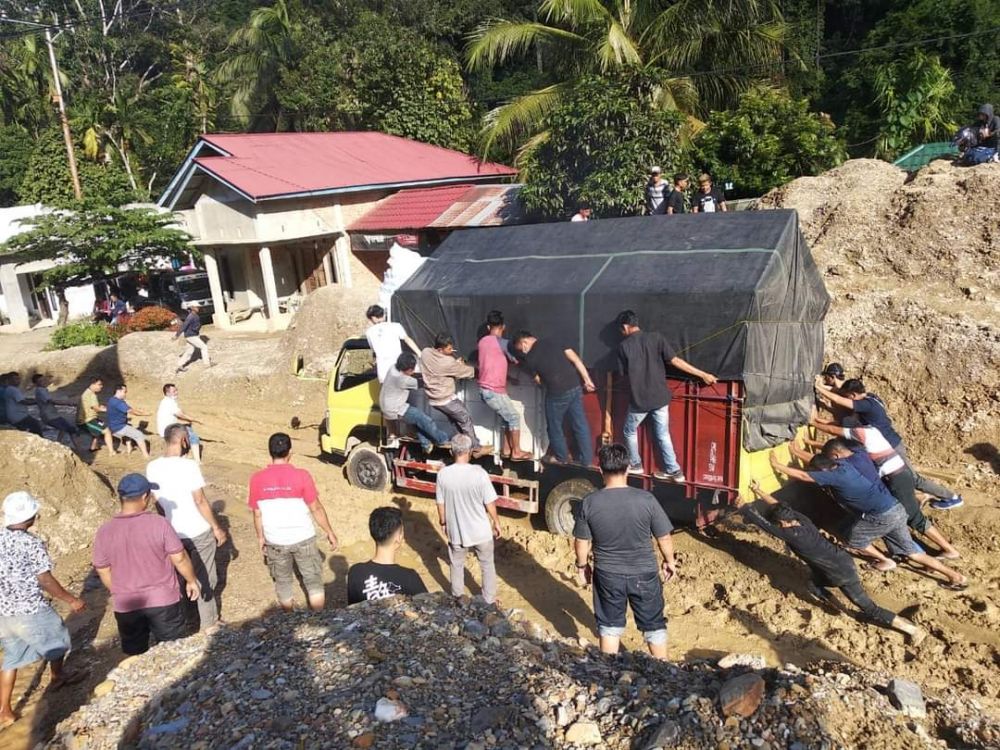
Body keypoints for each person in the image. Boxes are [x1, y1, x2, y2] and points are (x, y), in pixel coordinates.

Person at [743, 481, 923, 641]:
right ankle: (840, 610)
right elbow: (781, 507)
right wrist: (759, 491)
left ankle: (911, 629)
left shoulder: (792, 535)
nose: (779, 526)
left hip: (838, 574)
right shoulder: (802, 520)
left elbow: (764, 525)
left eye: (779, 524)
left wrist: (744, 508)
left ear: (783, 523)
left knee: (869, 608)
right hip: (843, 561)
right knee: (814, 584)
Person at [769, 452, 967, 589]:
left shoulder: (835, 477)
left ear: (824, 472)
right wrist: (797, 451)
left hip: (880, 516)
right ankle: (954, 576)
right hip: (896, 510)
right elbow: (816, 465)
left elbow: (804, 475)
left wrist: (778, 466)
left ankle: (885, 560)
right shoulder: (843, 465)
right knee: (912, 552)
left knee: (852, 540)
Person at [573, 443, 675, 658]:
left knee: (609, 625)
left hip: (608, 574)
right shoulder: (646, 499)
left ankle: (609, 672)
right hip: (645, 574)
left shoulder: (589, 502)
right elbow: (663, 536)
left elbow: (582, 541)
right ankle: (664, 669)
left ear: (600, 470)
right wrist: (669, 561)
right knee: (653, 624)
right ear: (628, 468)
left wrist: (582, 566)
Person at [0, 492, 86, 728]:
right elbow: (45, 580)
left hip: (4, 613)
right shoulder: (31, 543)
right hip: (30, 609)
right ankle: (58, 677)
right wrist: (71, 600)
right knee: (57, 638)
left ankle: (5, 710)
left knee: (12, 659)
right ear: (29, 518)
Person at [93, 474, 202, 655]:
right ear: (145, 497)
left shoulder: (105, 531)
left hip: (126, 604)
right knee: (172, 651)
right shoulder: (159, 524)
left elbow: (103, 569)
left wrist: (120, 590)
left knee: (135, 654)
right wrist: (191, 580)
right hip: (163, 600)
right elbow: (179, 557)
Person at [814, 378, 963, 510]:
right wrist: (825, 389)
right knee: (899, 478)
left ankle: (951, 497)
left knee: (914, 479)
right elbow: (841, 399)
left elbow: (841, 401)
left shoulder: (866, 405)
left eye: (847, 397)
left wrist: (819, 387)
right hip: (889, 444)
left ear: (853, 395)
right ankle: (919, 497)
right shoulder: (871, 398)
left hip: (891, 446)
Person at [813, 431, 960, 559]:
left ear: (836, 456)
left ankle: (945, 551)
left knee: (914, 519)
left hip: (893, 486)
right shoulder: (858, 453)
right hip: (894, 482)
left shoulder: (848, 464)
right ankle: (913, 552)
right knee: (898, 524)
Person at [616, 310, 717, 481]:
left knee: (629, 431)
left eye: (620, 329)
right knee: (663, 434)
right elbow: (676, 361)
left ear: (625, 326)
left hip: (640, 401)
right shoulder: (656, 338)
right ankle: (674, 471)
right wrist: (703, 375)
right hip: (661, 398)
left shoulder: (623, 347)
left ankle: (636, 464)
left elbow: (622, 374)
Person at [147, 424, 228, 631]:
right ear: (183, 441)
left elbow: (157, 501)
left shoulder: (152, 467)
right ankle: (209, 623)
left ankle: (189, 620)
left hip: (172, 532)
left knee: (182, 576)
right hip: (198, 531)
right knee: (206, 576)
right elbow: (200, 500)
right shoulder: (189, 466)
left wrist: (166, 523)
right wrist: (216, 527)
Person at [248, 433, 339, 611]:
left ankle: (289, 619)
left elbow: (257, 514)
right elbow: (316, 508)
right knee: (313, 579)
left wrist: (260, 537)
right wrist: (329, 531)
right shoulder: (302, 475)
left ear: (270, 452)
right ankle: (318, 616)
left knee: (282, 581)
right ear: (290, 452)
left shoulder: (256, 479)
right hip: (304, 537)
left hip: (275, 540)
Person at [512, 331, 595, 466]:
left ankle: (561, 457)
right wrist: (587, 380)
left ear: (524, 343)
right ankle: (587, 460)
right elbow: (575, 359)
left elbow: (539, 381)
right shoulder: (555, 339)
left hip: (557, 392)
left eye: (521, 349)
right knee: (580, 423)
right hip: (575, 385)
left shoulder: (530, 359)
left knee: (554, 426)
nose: (523, 352)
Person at [436, 435, 501, 605]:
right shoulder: (479, 473)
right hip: (481, 531)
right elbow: (489, 502)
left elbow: (440, 503)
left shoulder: (443, 474)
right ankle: (489, 600)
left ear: (451, 451)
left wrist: (443, 522)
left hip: (456, 531)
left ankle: (458, 598)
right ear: (470, 452)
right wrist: (496, 522)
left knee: (456, 564)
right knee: (487, 564)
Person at [477, 310, 531, 460]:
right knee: (513, 417)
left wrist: (508, 378)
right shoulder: (504, 343)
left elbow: (490, 364)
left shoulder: (481, 342)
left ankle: (507, 449)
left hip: (485, 389)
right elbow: (515, 359)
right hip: (494, 390)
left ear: (488, 327)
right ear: (504, 326)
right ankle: (517, 452)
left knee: (506, 418)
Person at [420, 333, 486, 454]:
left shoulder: (425, 352)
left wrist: (454, 364)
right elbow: (467, 372)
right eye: (449, 349)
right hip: (445, 399)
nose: (452, 350)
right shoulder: (447, 362)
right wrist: (481, 371)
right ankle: (475, 447)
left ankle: (461, 447)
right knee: (465, 418)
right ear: (440, 349)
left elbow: (440, 369)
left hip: (433, 399)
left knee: (456, 421)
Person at [347, 507, 428, 605]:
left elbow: (353, 609)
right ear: (398, 538)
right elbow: (427, 607)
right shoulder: (409, 577)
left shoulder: (356, 572)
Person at [380, 352, 452, 453]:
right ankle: (443, 439)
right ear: (408, 369)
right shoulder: (403, 380)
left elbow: (414, 375)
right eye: (412, 369)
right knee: (424, 420)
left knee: (415, 421)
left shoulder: (393, 368)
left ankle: (426, 444)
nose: (414, 371)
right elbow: (425, 383)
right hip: (396, 409)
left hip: (387, 405)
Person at [365, 305, 419, 383]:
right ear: (384, 315)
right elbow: (407, 340)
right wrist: (419, 353)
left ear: (373, 318)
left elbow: (373, 349)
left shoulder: (369, 332)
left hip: (384, 373)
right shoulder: (396, 326)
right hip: (399, 370)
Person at [157, 383, 202, 462]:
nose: (176, 392)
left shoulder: (165, 401)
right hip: (170, 430)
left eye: (176, 390)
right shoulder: (170, 402)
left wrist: (189, 420)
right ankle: (197, 460)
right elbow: (181, 415)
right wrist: (196, 420)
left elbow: (178, 415)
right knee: (193, 437)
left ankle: (184, 455)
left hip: (167, 428)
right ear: (168, 393)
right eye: (174, 391)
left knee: (188, 429)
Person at [106, 383, 151, 458]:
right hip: (118, 427)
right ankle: (146, 455)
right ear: (119, 391)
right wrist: (145, 414)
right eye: (125, 392)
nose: (125, 394)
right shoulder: (118, 402)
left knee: (129, 427)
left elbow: (131, 409)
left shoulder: (112, 399)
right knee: (139, 435)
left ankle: (129, 449)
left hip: (114, 425)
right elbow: (132, 412)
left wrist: (141, 411)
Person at [32, 374, 78, 444]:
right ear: (36, 383)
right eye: (40, 381)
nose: (44, 382)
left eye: (43, 380)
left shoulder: (42, 390)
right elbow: (51, 401)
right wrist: (68, 403)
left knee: (67, 428)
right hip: (49, 415)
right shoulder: (41, 391)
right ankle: (59, 444)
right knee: (66, 428)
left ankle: (74, 446)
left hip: (52, 414)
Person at [77, 376, 115, 455]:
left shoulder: (87, 392)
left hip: (90, 418)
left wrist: (100, 407)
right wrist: (108, 409)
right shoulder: (92, 395)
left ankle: (93, 447)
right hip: (87, 420)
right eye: (99, 384)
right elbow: (96, 408)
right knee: (107, 431)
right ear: (93, 384)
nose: (101, 386)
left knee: (99, 429)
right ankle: (112, 451)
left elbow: (92, 406)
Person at [175, 304, 210, 372]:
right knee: (204, 347)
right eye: (197, 307)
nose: (198, 308)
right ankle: (207, 364)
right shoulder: (191, 316)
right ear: (192, 308)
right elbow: (184, 326)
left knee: (190, 350)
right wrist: (177, 335)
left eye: (198, 307)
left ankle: (180, 365)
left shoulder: (195, 315)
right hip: (191, 335)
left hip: (191, 335)